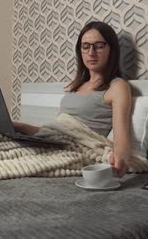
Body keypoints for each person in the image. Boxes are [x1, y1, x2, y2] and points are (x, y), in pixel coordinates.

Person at [13, 21, 132, 178]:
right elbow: (54, 131)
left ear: (112, 49)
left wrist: (120, 159)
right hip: (54, 143)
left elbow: (121, 137)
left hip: (76, 150)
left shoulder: (117, 86)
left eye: (99, 46)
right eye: (85, 46)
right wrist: (17, 126)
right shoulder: (74, 87)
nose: (91, 53)